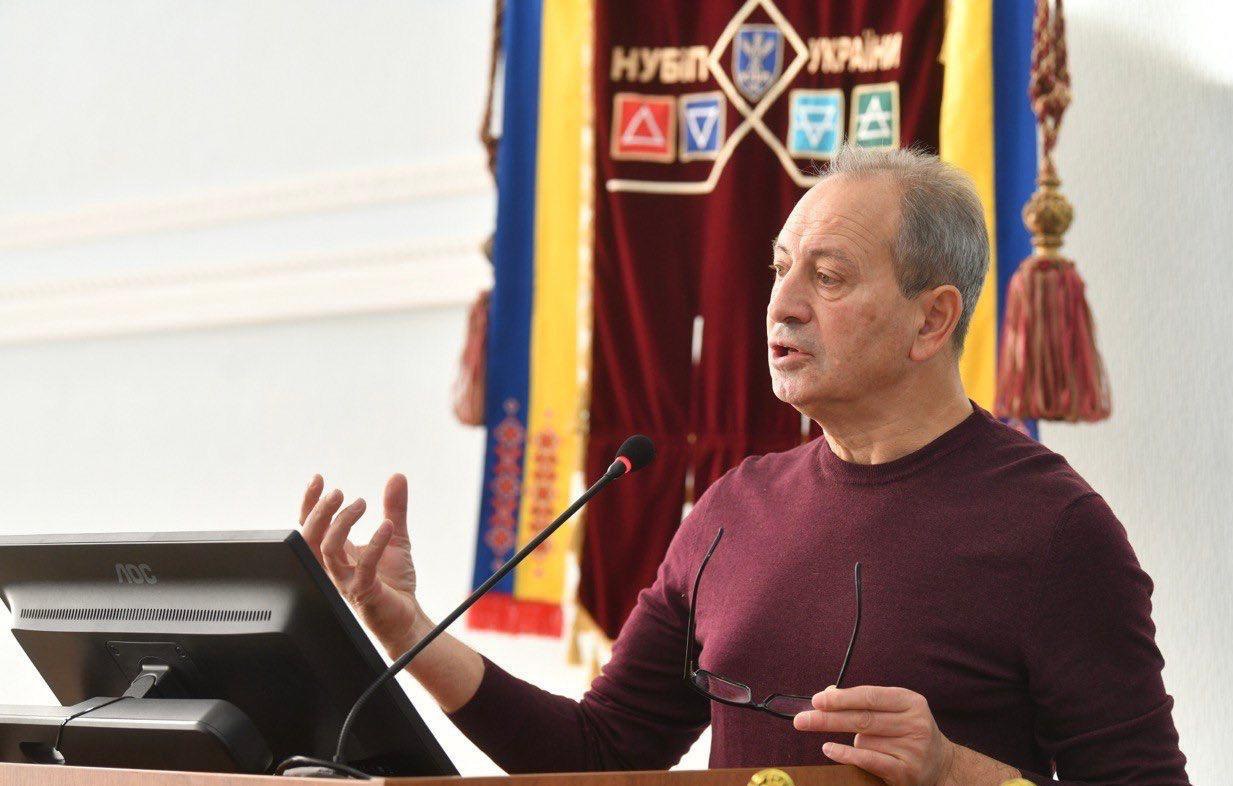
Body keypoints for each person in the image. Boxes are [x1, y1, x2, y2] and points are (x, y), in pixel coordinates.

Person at [297, 146, 1189, 786]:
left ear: (930, 319)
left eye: (827, 277)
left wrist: (956, 771)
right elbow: (600, 753)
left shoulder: (1052, 530)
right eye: (779, 269)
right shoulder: (734, 508)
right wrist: (405, 628)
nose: (781, 304)